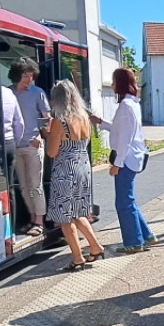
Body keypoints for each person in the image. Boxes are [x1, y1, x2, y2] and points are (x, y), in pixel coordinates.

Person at [91, 68, 157, 253]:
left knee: (123, 202)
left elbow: (125, 138)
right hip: (132, 158)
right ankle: (145, 236)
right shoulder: (131, 103)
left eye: (113, 81)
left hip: (127, 160)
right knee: (129, 200)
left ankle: (134, 242)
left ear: (119, 83)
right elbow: (122, 131)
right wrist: (101, 122)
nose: (111, 85)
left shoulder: (126, 106)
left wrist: (116, 164)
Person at [46, 80, 105, 271]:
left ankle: (78, 258)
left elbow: (52, 152)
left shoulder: (59, 122)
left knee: (65, 218)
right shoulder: (84, 118)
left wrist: (47, 134)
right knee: (79, 212)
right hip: (83, 166)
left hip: (65, 171)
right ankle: (95, 247)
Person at [10, 58, 51, 237]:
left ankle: (39, 222)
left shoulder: (37, 93)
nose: (29, 80)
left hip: (33, 145)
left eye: (31, 76)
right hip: (15, 145)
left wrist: (40, 136)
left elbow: (46, 118)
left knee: (35, 184)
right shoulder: (8, 93)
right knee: (24, 186)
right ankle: (32, 218)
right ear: (17, 75)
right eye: (26, 76)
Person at [1, 84, 24, 192]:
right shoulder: (9, 93)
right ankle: (10, 208)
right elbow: (19, 123)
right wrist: (15, 142)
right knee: (9, 185)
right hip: (9, 143)